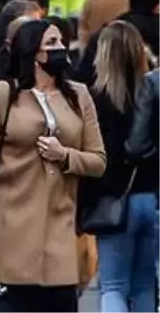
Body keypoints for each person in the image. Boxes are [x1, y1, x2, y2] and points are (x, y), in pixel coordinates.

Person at [0, 19, 106, 312]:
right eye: (51, 43)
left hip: (62, 223)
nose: (60, 48)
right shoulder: (3, 94)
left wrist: (65, 155)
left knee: (61, 302)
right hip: (13, 220)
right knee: (16, 303)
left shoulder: (78, 95)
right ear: (32, 52)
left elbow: (98, 161)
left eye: (61, 42)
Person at [86, 21, 154, 313]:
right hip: (153, 196)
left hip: (114, 201)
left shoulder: (97, 99)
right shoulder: (153, 91)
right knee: (145, 285)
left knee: (113, 285)